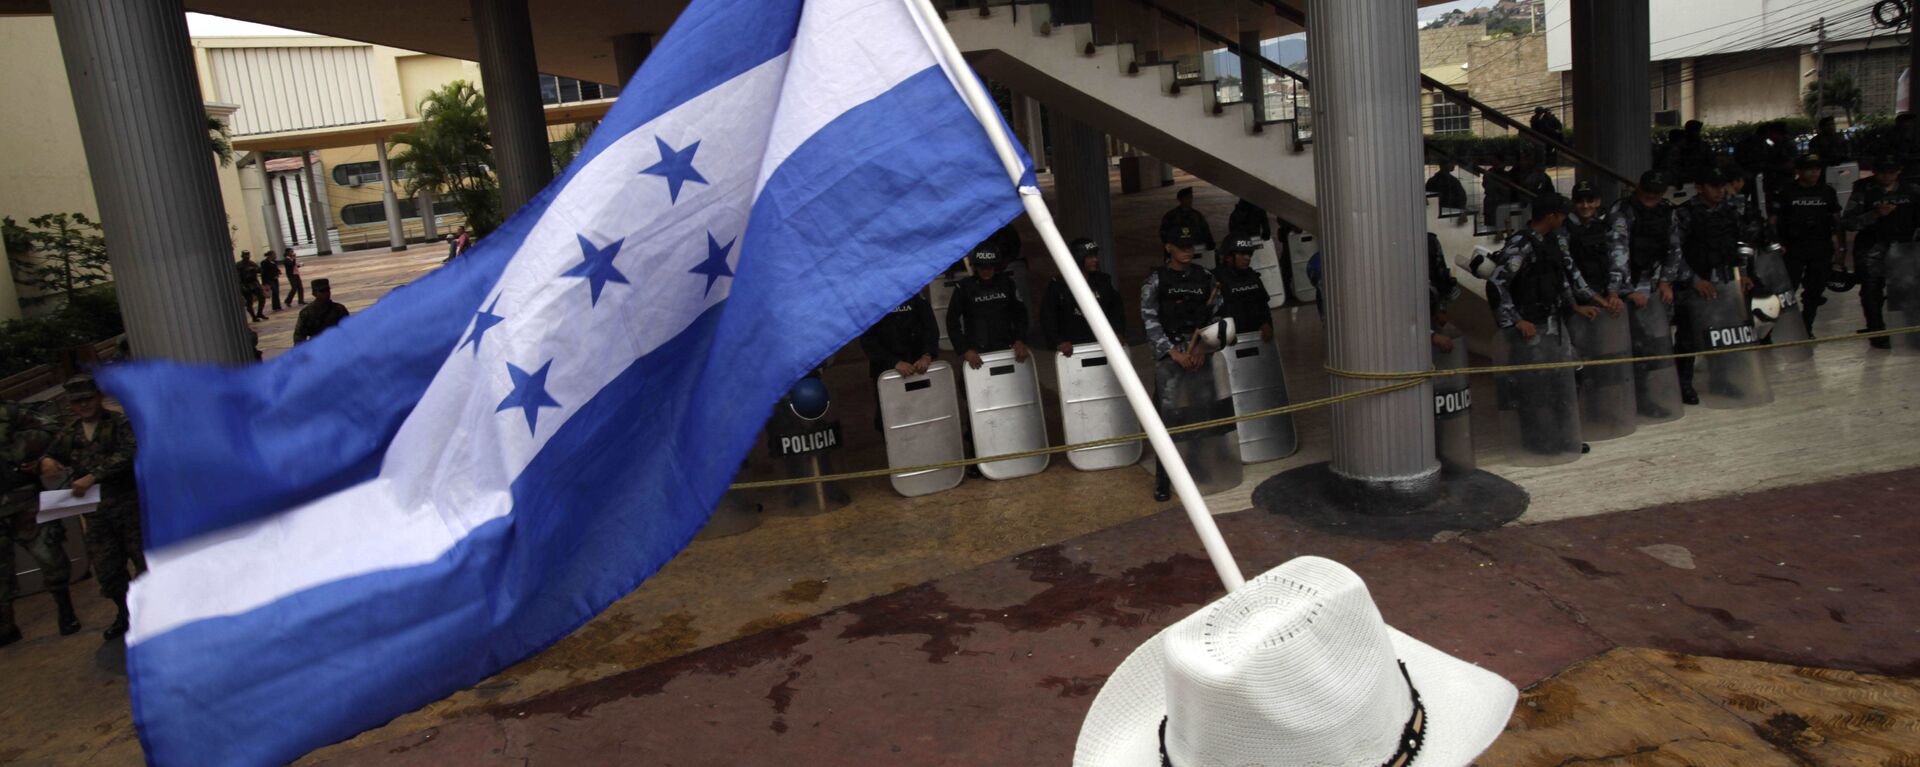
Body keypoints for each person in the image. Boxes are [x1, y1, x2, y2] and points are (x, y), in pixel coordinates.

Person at [1489, 194, 1603, 455]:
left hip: (1555, 325)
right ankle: (1537, 439)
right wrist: (1516, 321)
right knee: (1535, 385)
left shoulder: (1553, 240)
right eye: (1562, 215)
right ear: (1551, 216)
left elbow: (1560, 277)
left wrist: (1574, 305)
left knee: (1570, 374)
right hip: (1532, 328)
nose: (1565, 219)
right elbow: (1496, 284)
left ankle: (1565, 434)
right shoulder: (1521, 244)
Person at [38, 376, 142, 640]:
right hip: (96, 515)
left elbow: (129, 453)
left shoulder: (119, 423)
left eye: (88, 399)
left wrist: (93, 475)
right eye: (77, 401)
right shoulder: (71, 432)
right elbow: (50, 452)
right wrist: (48, 461)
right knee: (108, 569)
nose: (84, 405)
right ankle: (125, 613)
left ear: (98, 398)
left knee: (144, 563)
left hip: (130, 507)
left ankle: (156, 613)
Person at [1141, 234, 1225, 502]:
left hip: (1200, 355)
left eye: (1191, 246)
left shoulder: (1205, 278)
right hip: (1170, 358)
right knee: (1166, 418)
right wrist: (1172, 352)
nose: (1188, 251)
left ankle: (1196, 465)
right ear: (1168, 247)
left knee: (1201, 412)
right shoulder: (1156, 281)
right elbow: (1149, 318)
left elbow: (1218, 315)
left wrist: (1203, 348)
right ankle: (1163, 479)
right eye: (1181, 246)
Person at [1671, 168, 1756, 401]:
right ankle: (1684, 384)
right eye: (1713, 186)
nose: (1719, 191)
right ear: (1699, 187)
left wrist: (1743, 273)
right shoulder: (1685, 213)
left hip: (1724, 282)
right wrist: (1694, 280)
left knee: (1722, 334)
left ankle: (1722, 379)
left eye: (1721, 186)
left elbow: (1741, 244)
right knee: (1688, 337)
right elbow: (1674, 253)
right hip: (1694, 285)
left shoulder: (1729, 211)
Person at [2, 400, 80, 646]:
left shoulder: (8, 412)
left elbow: (57, 430)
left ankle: (66, 612)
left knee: (50, 556)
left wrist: (43, 456)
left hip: (24, 501)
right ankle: (6, 629)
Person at [1608, 170, 1682, 418]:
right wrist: (1626, 291)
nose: (1652, 197)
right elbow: (1617, 255)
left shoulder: (1667, 211)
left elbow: (1674, 249)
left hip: (1652, 286)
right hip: (1626, 288)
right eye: (1648, 192)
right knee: (1625, 346)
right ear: (1639, 188)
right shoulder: (1623, 211)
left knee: (1650, 346)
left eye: (1657, 193)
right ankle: (1620, 403)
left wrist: (1666, 282)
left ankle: (1645, 397)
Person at [1842, 156, 1920, 350]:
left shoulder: (1912, 190)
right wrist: (1874, 214)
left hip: (1903, 246)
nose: (1887, 176)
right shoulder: (1863, 190)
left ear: (1899, 171)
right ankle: (1877, 331)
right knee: (1871, 290)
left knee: (1906, 290)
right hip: (1872, 246)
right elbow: (1849, 222)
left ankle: (1907, 332)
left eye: (1891, 172)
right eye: (1883, 172)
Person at [1770, 154, 1844, 334]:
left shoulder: (1827, 192)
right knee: (1786, 290)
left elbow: (1836, 220)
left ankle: (1807, 326)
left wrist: (1840, 247)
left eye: (1817, 169)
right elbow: (1773, 221)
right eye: (1810, 169)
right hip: (1792, 247)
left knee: (1815, 289)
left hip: (1820, 246)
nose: (1814, 173)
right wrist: (1776, 243)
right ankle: (1768, 331)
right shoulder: (1785, 191)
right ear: (1799, 171)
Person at [858, 287, 939, 430]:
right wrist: (894, 363)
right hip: (886, 370)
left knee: (924, 413)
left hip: (917, 367)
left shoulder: (915, 294)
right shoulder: (870, 301)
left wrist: (927, 354)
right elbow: (867, 340)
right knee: (889, 419)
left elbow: (931, 327)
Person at [944, 244, 1029, 370]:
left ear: (995, 266)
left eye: (989, 267)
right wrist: (964, 350)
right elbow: (952, 321)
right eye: (982, 267)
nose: (986, 271)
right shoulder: (964, 287)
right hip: (976, 352)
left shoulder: (1007, 283)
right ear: (975, 267)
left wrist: (1019, 339)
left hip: (1006, 346)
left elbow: (1021, 315)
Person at [1039, 237, 1125, 356]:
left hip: (1103, 347)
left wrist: (1118, 332)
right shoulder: (1059, 285)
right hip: (1072, 351)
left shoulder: (1103, 281)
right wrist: (1058, 342)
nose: (1095, 260)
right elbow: (1048, 316)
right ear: (1078, 257)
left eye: (1095, 256)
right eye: (1090, 257)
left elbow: (1116, 310)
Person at [1214, 236, 1273, 343]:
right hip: (1227, 341)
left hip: (1256, 337)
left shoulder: (1253, 277)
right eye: (1242, 254)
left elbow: (1263, 305)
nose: (1247, 258)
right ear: (1228, 257)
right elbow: (1210, 313)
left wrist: (1266, 323)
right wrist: (1223, 332)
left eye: (1249, 254)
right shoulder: (1215, 278)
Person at [293, 278, 351, 344]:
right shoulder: (307, 312)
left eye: (327, 290)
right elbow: (299, 337)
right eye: (322, 291)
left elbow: (349, 331)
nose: (326, 294)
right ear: (314, 293)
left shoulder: (339, 309)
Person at [1158, 187, 1215, 252]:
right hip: (1179, 249)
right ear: (1180, 199)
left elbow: (1205, 231)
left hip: (1196, 249)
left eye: (1191, 197)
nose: (1190, 200)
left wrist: (1209, 244)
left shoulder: (1197, 215)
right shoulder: (1171, 216)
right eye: (1187, 198)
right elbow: (1164, 233)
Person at [1676, 120, 1715, 185]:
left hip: (1701, 180)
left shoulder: (1703, 146)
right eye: (1696, 131)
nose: (1698, 133)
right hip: (1684, 181)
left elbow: (1712, 163)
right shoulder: (1679, 146)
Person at [236, 250, 267, 322]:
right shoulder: (239, 265)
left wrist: (254, 269)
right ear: (242, 256)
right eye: (245, 255)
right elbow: (237, 277)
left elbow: (260, 270)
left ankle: (260, 313)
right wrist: (242, 286)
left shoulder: (252, 263)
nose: (247, 256)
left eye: (248, 255)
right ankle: (253, 316)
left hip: (254, 283)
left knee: (262, 298)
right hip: (245, 284)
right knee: (249, 301)